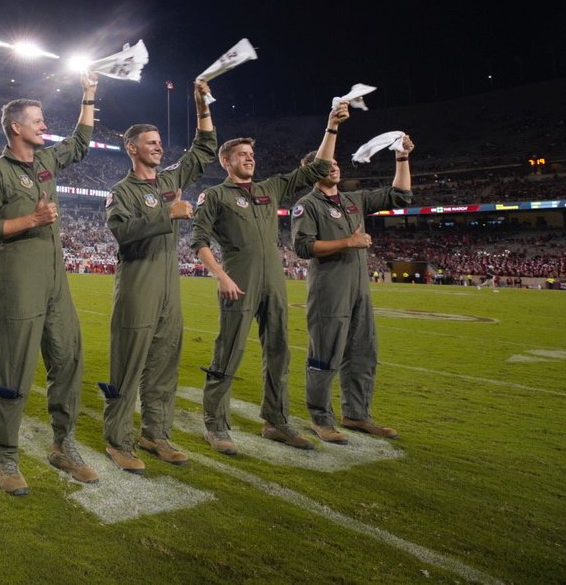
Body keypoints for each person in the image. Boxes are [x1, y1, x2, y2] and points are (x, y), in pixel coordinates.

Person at [189, 102, 348, 456]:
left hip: (274, 282)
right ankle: (216, 425)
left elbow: (318, 167)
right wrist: (221, 276)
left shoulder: (270, 188)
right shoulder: (214, 196)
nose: (249, 158)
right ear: (226, 162)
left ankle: (276, 421)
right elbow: (197, 241)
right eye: (241, 155)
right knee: (227, 352)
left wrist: (331, 127)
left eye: (251, 154)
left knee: (279, 353)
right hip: (238, 282)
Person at [0, 71, 100, 496]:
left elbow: (79, 143)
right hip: (19, 280)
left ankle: (64, 444)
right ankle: (4, 454)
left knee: (68, 359)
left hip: (55, 279)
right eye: (38, 120)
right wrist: (31, 219)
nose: (45, 126)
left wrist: (89, 95)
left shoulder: (46, 161)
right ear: (16, 127)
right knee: (15, 369)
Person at [99, 81, 216, 474]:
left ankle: (156, 434)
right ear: (132, 148)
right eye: (150, 142)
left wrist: (201, 108)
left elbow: (203, 150)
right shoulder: (122, 191)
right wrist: (166, 214)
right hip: (137, 284)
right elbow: (122, 232)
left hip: (170, 288)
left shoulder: (169, 181)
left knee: (165, 363)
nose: (158, 147)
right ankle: (117, 439)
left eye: (160, 142)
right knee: (129, 365)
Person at [290, 134, 414, 443]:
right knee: (325, 356)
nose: (333, 166)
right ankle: (321, 418)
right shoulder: (306, 205)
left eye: (335, 162)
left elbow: (400, 196)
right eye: (326, 163)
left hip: (360, 291)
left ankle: (357, 415)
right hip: (329, 292)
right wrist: (349, 242)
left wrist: (401, 157)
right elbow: (303, 247)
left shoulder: (352, 200)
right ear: (311, 170)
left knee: (363, 353)